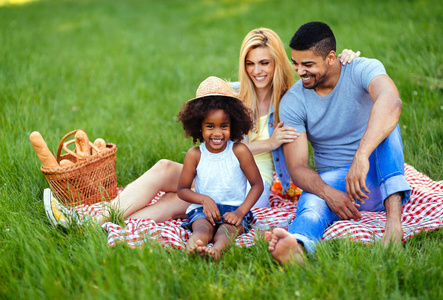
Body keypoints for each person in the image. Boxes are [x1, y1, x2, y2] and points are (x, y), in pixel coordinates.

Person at [44, 28, 360, 228]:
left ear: (278, 62)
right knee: (178, 197)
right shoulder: (235, 94)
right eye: (250, 64)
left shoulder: (293, 102)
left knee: (171, 174)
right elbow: (211, 132)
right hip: (220, 170)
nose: (256, 71)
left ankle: (87, 220)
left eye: (264, 63)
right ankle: (100, 226)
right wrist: (268, 142)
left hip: (253, 186)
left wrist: (345, 60)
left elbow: (328, 77)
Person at [266, 22, 412, 265]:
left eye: (308, 64)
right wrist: (327, 193)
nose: (300, 71)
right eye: (296, 63)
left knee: (388, 122)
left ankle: (394, 224)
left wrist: (361, 155)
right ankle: (298, 246)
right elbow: (298, 168)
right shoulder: (293, 101)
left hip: (378, 174)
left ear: (331, 57)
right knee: (311, 203)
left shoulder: (362, 69)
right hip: (334, 184)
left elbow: (392, 101)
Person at [177, 76, 263, 260]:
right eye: (210, 126)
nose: (217, 133)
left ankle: (216, 252)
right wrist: (204, 199)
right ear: (199, 126)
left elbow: (257, 185)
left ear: (233, 124)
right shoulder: (195, 155)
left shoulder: (240, 151)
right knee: (202, 229)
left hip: (234, 210)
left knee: (225, 233)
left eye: (224, 126)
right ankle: (193, 249)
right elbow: (182, 190)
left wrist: (241, 212)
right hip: (204, 210)